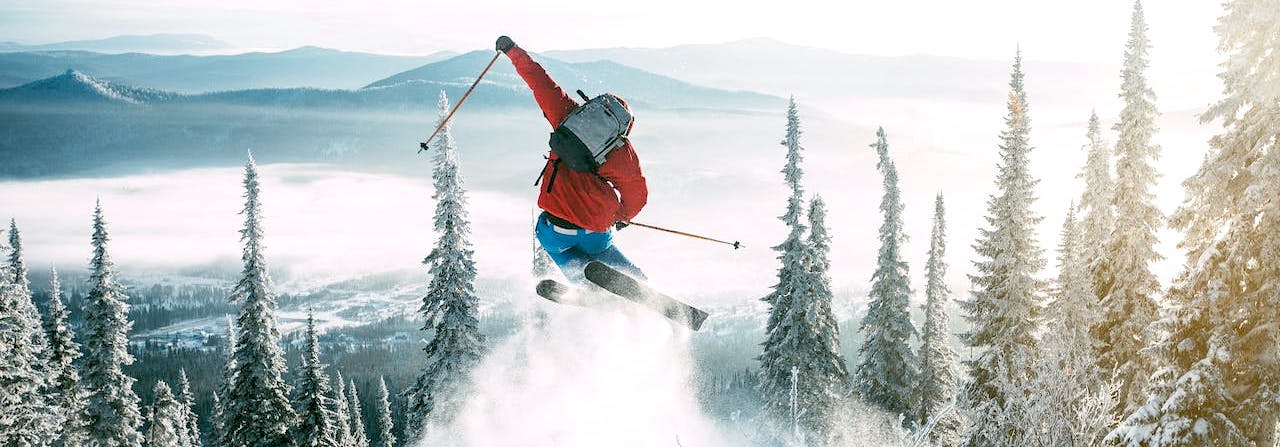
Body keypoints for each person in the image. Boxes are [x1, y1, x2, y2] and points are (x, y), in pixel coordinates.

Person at [497, 35, 648, 284]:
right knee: (603, 250)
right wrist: (622, 216)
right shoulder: (622, 151)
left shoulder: (566, 115)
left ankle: (582, 285)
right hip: (596, 230)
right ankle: (641, 284)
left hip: (557, 230)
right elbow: (637, 193)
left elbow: (540, 81)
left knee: (554, 245)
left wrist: (512, 51)